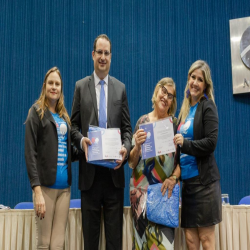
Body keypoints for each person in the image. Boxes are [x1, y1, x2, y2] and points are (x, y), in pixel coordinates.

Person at [71, 34, 132, 250]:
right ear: (93, 55)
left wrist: (126, 147)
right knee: (90, 242)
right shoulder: (80, 87)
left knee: (114, 242)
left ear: (111, 56)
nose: (103, 57)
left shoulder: (120, 88)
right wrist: (81, 141)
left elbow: (127, 130)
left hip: (114, 176)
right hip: (89, 177)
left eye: (107, 53)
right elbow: (73, 127)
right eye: (99, 52)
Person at [25, 67, 77, 250]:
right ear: (44, 86)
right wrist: (37, 191)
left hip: (65, 190)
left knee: (57, 244)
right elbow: (30, 153)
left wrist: (89, 148)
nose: (54, 87)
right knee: (44, 243)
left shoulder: (64, 117)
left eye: (57, 84)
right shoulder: (36, 112)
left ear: (61, 88)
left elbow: (69, 152)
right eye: (51, 83)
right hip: (45, 189)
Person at [174, 60, 222, 250]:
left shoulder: (207, 107)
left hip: (204, 184)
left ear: (205, 85)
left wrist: (185, 144)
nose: (195, 82)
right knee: (191, 240)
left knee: (206, 240)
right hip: (188, 186)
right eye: (192, 77)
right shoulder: (184, 112)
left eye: (199, 79)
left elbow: (211, 143)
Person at [129, 77, 181, 250]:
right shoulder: (142, 123)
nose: (165, 97)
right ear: (157, 92)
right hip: (140, 195)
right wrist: (136, 146)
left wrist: (174, 177)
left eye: (170, 95)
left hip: (163, 196)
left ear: (172, 101)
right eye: (163, 91)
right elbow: (131, 162)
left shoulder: (174, 125)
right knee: (141, 246)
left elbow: (182, 162)